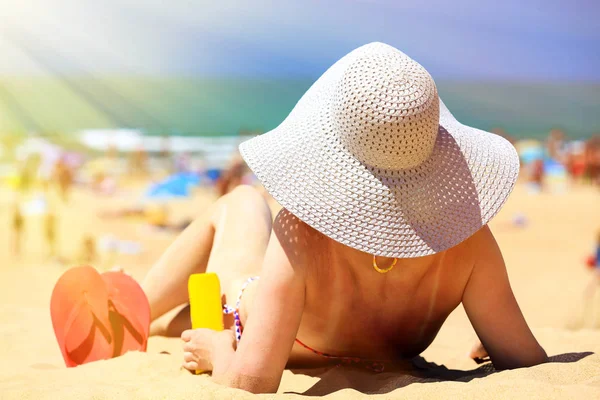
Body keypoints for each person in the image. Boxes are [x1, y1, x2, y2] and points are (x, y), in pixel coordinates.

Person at [142, 43, 547, 394]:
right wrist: (491, 341)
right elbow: (527, 361)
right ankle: (151, 319)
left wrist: (217, 350)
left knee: (243, 202)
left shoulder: (302, 234)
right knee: (190, 312)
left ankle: (135, 312)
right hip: (294, 331)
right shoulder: (469, 240)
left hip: (256, 324)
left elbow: (250, 384)